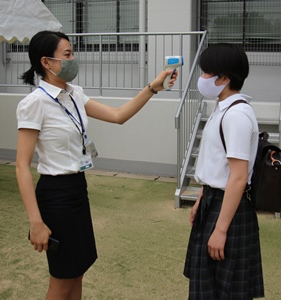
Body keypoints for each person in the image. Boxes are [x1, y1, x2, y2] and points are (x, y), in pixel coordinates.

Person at [15, 30, 177, 299]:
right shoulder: (34, 104)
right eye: (67, 54)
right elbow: (21, 165)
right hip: (55, 196)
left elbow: (118, 116)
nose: (73, 59)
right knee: (62, 278)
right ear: (46, 62)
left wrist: (153, 87)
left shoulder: (75, 94)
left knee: (78, 269)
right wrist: (36, 222)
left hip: (78, 189)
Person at [183, 43, 264, 299]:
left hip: (229, 209)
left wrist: (220, 230)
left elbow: (238, 177)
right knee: (208, 285)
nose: (202, 79)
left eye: (207, 73)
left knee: (226, 290)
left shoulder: (237, 115)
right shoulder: (223, 109)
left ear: (224, 78)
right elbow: (217, 166)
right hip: (213, 201)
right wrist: (201, 198)